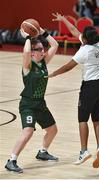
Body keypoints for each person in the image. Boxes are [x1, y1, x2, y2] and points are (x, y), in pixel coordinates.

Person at [50, 13, 99, 168]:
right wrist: (63, 20)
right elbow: (76, 32)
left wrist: (53, 74)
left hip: (90, 87)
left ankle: (84, 151)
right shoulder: (97, 45)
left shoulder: (84, 51)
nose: (80, 36)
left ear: (85, 40)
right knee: (97, 118)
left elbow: (68, 67)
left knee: (82, 119)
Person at [5, 26, 59, 173]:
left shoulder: (43, 63)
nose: (43, 51)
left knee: (52, 130)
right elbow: (26, 52)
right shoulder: (27, 66)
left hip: (40, 103)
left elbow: (55, 45)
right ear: (33, 52)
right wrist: (28, 38)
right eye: (40, 49)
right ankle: (11, 160)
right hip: (28, 104)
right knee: (28, 131)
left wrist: (42, 32)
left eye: (43, 49)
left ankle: (43, 152)